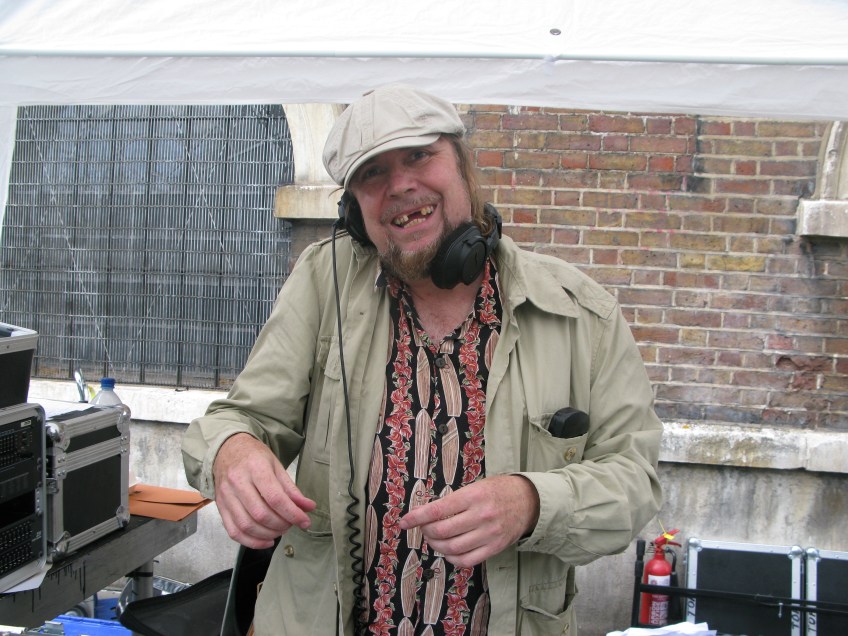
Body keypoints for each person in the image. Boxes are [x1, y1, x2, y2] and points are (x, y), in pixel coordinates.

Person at [182, 84, 663, 635]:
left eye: (418, 155)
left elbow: (635, 480)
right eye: (372, 173)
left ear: (463, 166)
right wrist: (232, 453)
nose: (400, 185)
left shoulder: (582, 314)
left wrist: (532, 502)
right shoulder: (322, 283)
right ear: (353, 212)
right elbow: (237, 421)